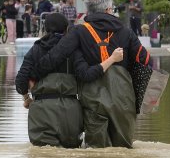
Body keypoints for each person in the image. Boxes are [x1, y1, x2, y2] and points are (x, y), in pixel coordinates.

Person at [30, 0, 151, 148]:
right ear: (109, 9)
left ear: (88, 11)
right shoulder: (126, 32)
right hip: (123, 99)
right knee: (124, 149)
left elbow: (55, 56)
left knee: (96, 150)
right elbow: (146, 61)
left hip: (93, 99)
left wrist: (33, 75)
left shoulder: (79, 31)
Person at [15, 13, 123, 148]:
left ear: (45, 29)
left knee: (43, 153)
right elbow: (87, 75)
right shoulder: (74, 51)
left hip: (41, 111)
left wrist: (26, 98)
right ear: (66, 30)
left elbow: (20, 82)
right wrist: (112, 59)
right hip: (70, 112)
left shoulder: (35, 50)